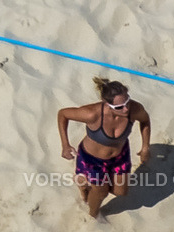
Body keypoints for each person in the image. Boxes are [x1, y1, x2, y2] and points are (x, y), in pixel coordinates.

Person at [58, 77, 151, 218]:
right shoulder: (92, 114)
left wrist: (145, 147)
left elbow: (145, 121)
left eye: (127, 101)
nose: (126, 109)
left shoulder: (134, 108)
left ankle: (83, 182)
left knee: (121, 192)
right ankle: (93, 216)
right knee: (101, 192)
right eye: (119, 107)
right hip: (92, 160)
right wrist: (65, 145)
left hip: (120, 156)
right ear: (107, 104)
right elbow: (63, 114)